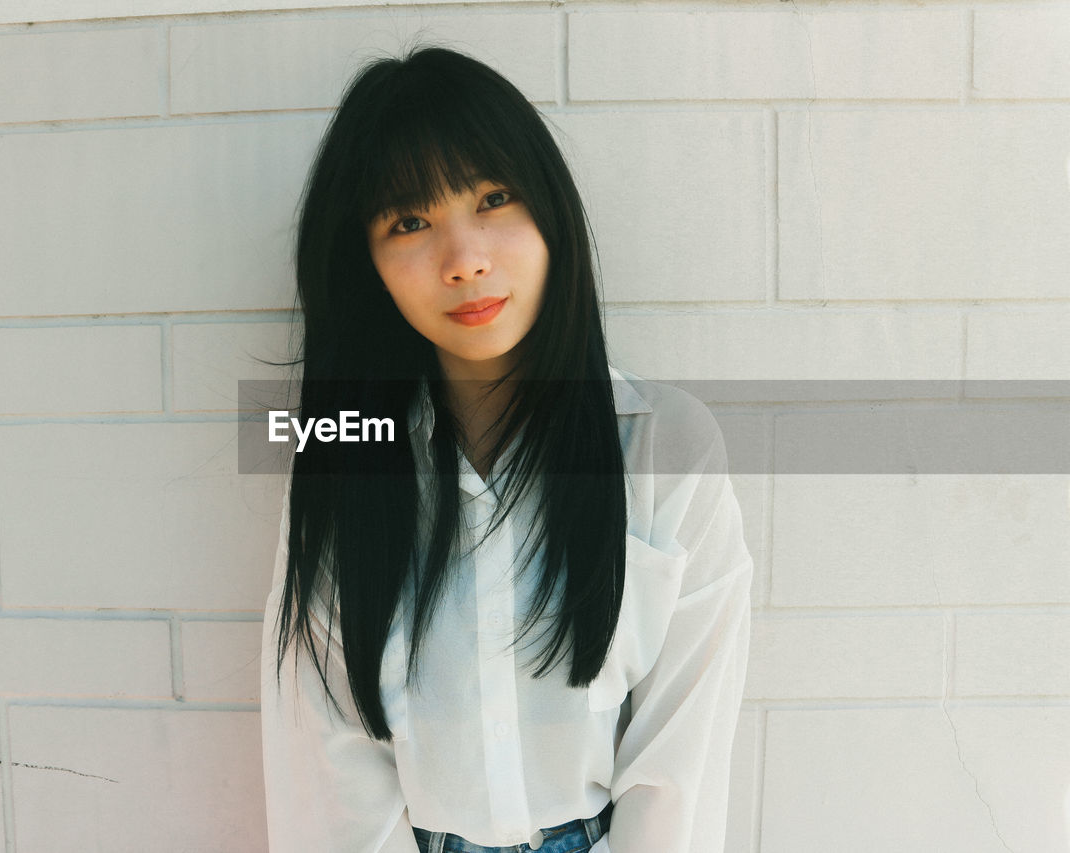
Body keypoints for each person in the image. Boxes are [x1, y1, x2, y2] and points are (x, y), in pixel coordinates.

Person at [259, 46, 753, 853]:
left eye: (492, 197)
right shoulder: (340, 456)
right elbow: (326, 748)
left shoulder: (664, 444)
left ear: (549, 211)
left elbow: (679, 767)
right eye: (410, 221)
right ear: (367, 262)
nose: (466, 260)